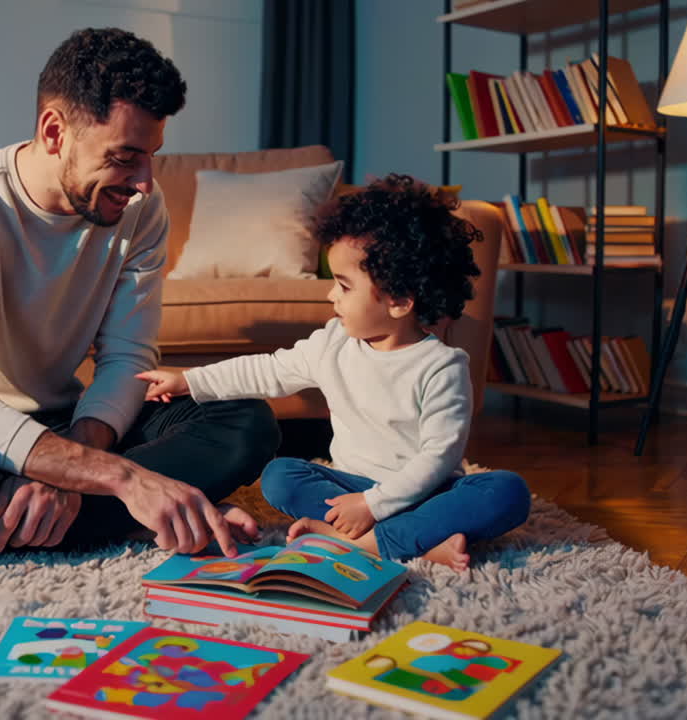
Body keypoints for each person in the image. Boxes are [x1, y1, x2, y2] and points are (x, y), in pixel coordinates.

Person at [0, 28, 278, 581]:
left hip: (70, 422)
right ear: (53, 131)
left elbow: (127, 362)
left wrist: (70, 464)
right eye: (125, 157)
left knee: (245, 419)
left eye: (152, 158)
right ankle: (136, 517)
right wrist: (123, 480)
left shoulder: (143, 209)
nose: (144, 183)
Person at [138, 175, 531, 571]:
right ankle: (420, 541)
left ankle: (368, 541)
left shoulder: (442, 367)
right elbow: (268, 370)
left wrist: (372, 506)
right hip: (350, 487)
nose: (331, 295)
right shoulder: (333, 342)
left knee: (506, 491)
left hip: (426, 491)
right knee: (281, 474)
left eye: (344, 286)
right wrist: (190, 380)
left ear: (398, 302)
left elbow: (438, 457)